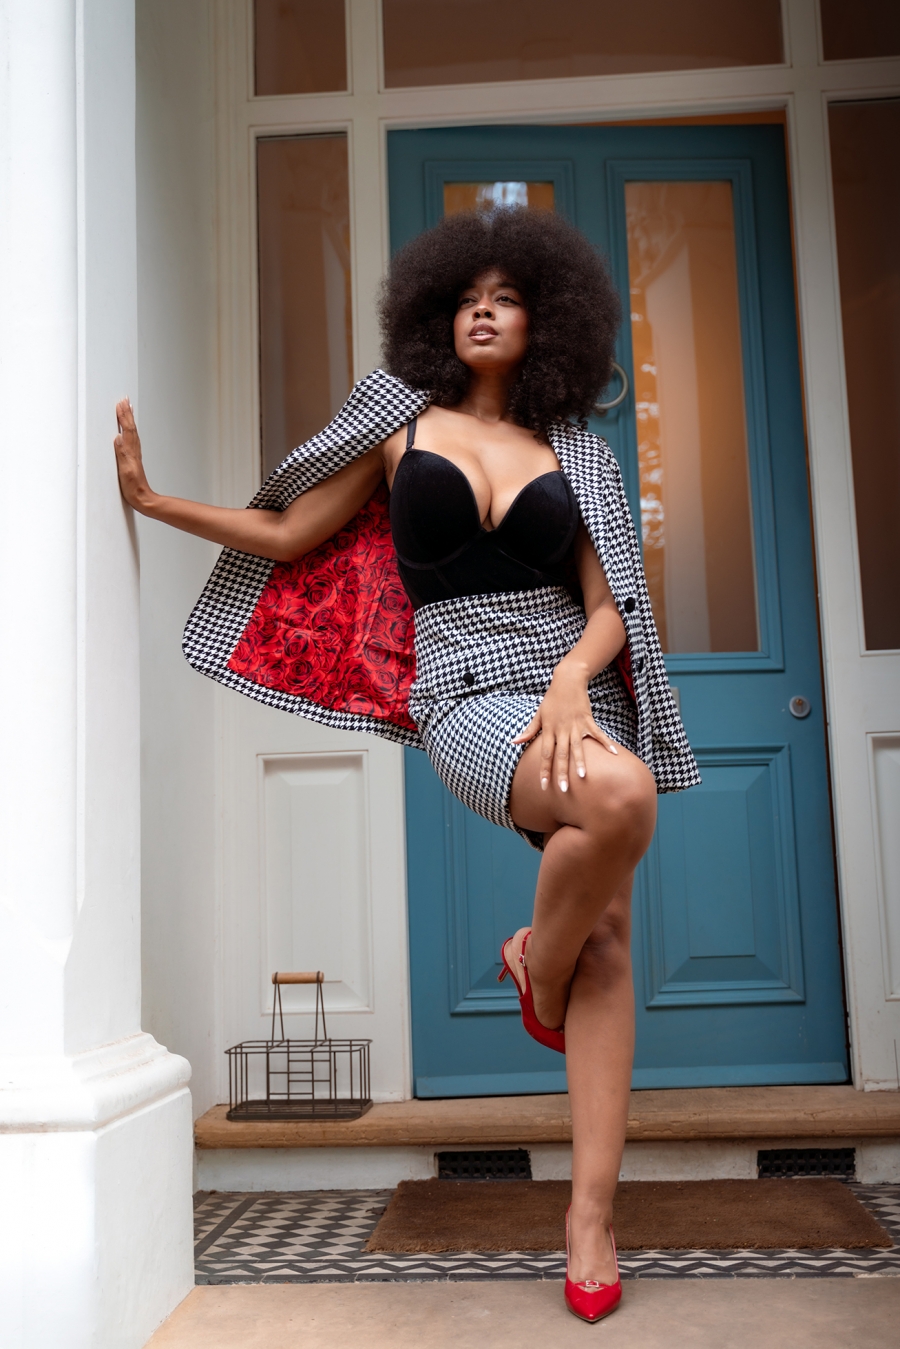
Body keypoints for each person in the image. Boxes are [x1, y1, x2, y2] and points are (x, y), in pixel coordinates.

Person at [114, 206, 699, 1323]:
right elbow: (287, 533)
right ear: (436, 314)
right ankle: (536, 965)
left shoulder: (578, 450)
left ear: (546, 323)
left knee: (611, 940)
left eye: (507, 297)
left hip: (568, 681)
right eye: (466, 296)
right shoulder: (399, 423)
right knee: (621, 800)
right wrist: (154, 501)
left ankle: (590, 1216)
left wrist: (573, 680)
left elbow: (609, 604)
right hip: (464, 693)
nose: (484, 310)